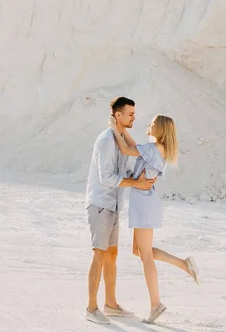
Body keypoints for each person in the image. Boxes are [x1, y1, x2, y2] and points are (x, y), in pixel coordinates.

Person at [109, 113, 200, 324]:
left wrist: (115, 128)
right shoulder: (158, 150)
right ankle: (183, 264)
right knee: (139, 251)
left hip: (143, 203)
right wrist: (123, 131)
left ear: (158, 129)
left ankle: (155, 304)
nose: (148, 126)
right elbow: (133, 145)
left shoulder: (152, 149)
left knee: (146, 256)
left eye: (151, 124)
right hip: (145, 201)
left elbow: (125, 149)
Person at [85, 97, 157, 324]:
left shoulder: (119, 139)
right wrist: (135, 183)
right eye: (130, 114)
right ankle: (91, 308)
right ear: (118, 115)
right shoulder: (106, 140)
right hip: (100, 204)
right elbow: (106, 178)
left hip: (114, 205)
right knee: (99, 253)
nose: (134, 117)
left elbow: (132, 152)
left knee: (112, 253)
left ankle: (111, 304)